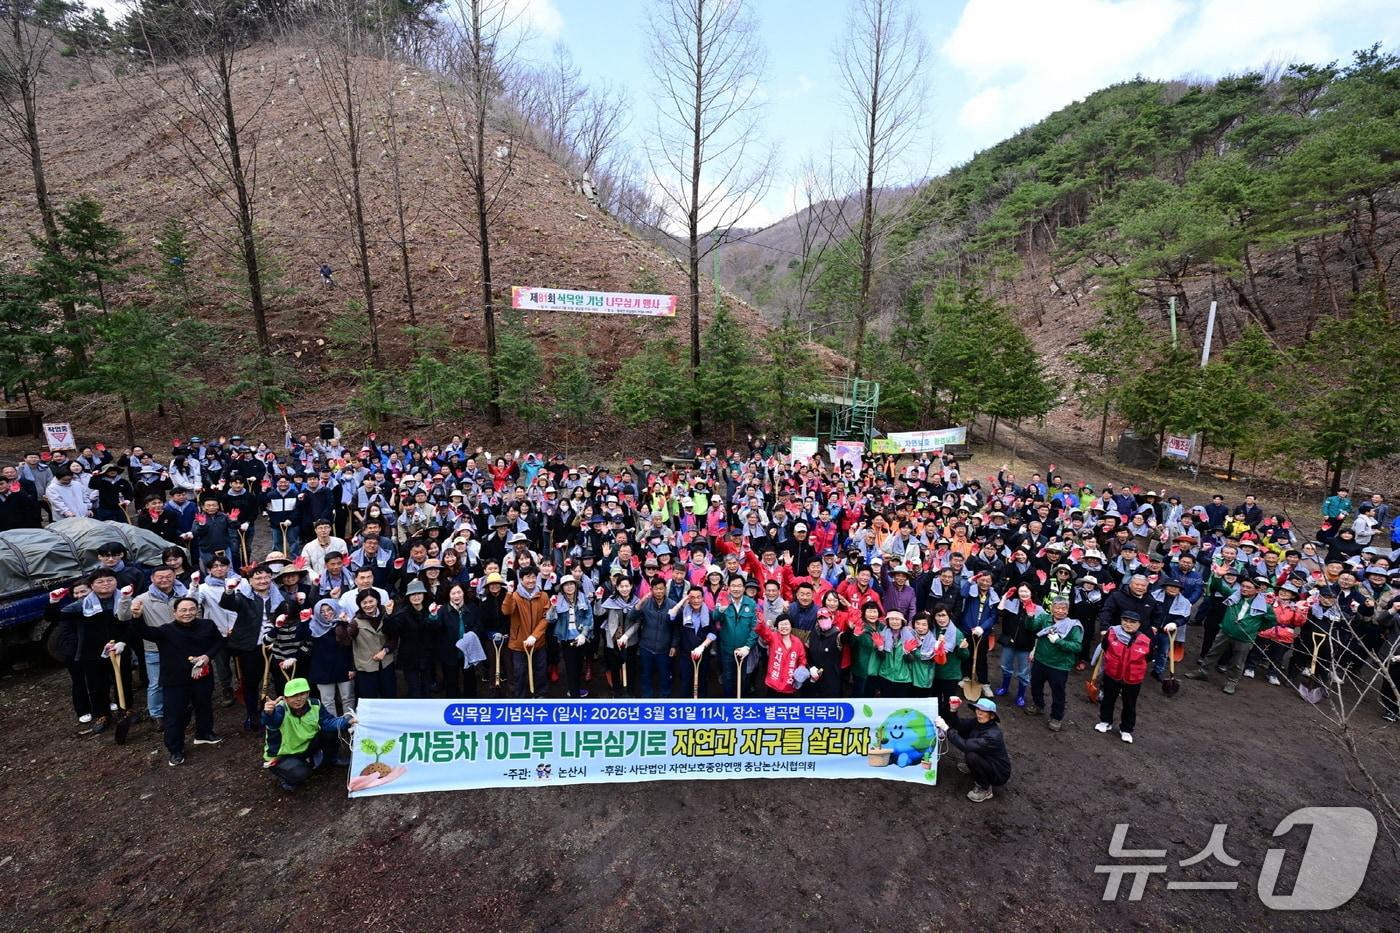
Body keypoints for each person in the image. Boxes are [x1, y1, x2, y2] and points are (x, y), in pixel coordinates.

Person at [126, 595, 222, 767]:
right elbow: (143, 632)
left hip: (202, 675)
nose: (188, 613)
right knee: (175, 714)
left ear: (197, 610)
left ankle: (204, 734)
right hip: (175, 680)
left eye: (192, 609)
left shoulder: (207, 625)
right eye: (183, 610)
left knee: (204, 704)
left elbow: (218, 642)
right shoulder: (165, 631)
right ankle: (175, 749)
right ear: (174, 612)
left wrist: (208, 656)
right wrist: (137, 617)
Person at [262, 677, 356, 792]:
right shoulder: (280, 709)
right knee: (300, 774)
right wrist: (269, 713)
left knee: (330, 732)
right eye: (293, 696)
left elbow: (327, 722)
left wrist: (347, 721)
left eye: (302, 694)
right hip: (284, 754)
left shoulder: (315, 704)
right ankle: (287, 777)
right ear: (285, 699)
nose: (298, 699)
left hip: (307, 744)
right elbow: (272, 721)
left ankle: (331, 758)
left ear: (307, 693)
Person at [1186, 576, 1277, 694]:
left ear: (1257, 590)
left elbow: (1272, 621)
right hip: (1225, 632)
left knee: (1237, 662)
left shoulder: (1265, 606)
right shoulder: (1234, 595)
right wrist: (1218, 576)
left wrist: (1255, 629)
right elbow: (1218, 586)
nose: (1244, 589)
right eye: (1243, 586)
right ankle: (1203, 672)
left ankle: (1231, 682)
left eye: (1248, 587)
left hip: (1244, 638)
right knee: (1213, 653)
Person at [1092, 610, 1162, 744]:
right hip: (1112, 674)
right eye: (1125, 621)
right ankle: (1105, 721)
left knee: (1130, 704)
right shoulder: (1112, 633)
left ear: (1139, 624)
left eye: (1132, 622)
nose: (1128, 624)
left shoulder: (1146, 641)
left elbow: (1148, 657)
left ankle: (1126, 729)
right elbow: (1105, 648)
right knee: (1108, 699)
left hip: (1133, 678)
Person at [1024, 599, 1083, 731]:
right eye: (1057, 608)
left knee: (1058, 692)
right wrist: (1029, 616)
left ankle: (1056, 717)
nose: (1060, 611)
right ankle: (1038, 705)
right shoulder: (1045, 618)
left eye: (1063, 609)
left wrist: (1058, 641)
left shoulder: (1073, 626)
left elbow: (1077, 646)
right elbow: (1031, 627)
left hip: (1059, 666)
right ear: (1052, 608)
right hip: (1040, 660)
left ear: (1068, 610)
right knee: (1035, 685)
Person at [939, 698, 1011, 803]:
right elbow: (959, 725)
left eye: (984, 711)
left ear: (992, 716)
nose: (979, 712)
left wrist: (947, 729)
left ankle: (985, 788)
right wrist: (953, 711)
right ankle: (974, 768)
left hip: (998, 773)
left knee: (971, 756)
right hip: (987, 760)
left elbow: (965, 745)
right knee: (966, 739)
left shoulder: (993, 735)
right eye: (978, 709)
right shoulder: (977, 722)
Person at [502, 565, 549, 698]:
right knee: (519, 673)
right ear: (521, 579)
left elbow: (546, 618)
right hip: (519, 643)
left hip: (538, 642)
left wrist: (535, 636)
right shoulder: (515, 596)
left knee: (540, 671)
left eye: (533, 577)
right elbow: (507, 611)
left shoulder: (543, 595)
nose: (531, 580)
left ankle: (540, 695)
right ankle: (520, 699)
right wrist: (509, 594)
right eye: (527, 577)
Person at [753, 613, 808, 695]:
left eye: (786, 624)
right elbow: (764, 632)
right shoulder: (773, 637)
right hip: (773, 683)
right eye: (781, 624)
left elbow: (802, 659)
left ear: (791, 626)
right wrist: (761, 623)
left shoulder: (797, 642)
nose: (784, 627)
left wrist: (801, 672)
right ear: (777, 627)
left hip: (789, 685)